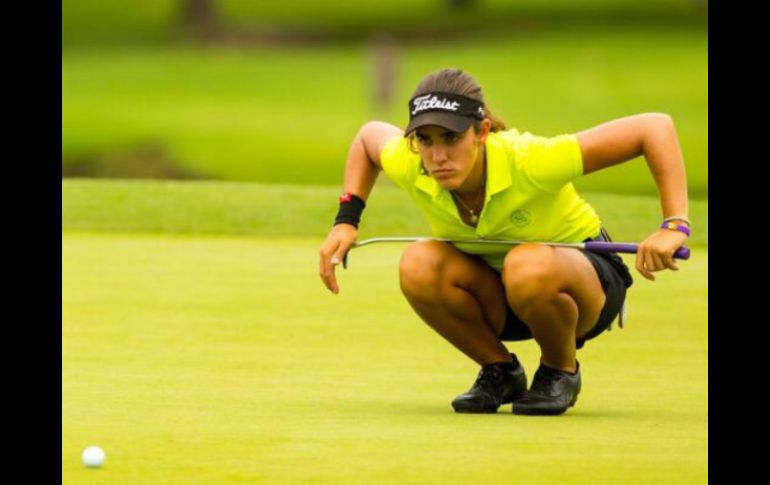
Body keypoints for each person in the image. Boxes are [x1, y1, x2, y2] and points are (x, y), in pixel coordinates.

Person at [319, 68, 689, 416]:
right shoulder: (413, 163)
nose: (438, 156)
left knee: (526, 263)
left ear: (481, 131)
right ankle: (501, 372)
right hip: (501, 294)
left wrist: (674, 226)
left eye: (451, 137)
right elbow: (368, 138)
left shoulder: (530, 160)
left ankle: (560, 370)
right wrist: (346, 221)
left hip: (583, 287)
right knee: (418, 261)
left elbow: (653, 128)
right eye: (425, 140)